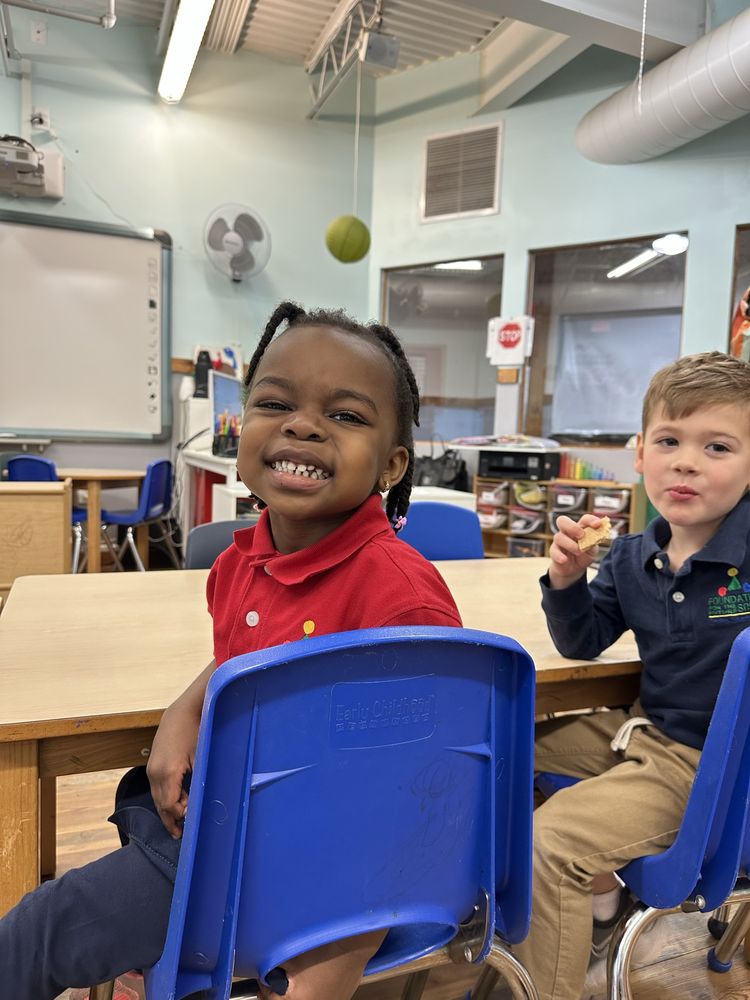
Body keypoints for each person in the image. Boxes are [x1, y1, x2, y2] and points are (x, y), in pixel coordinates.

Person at [0, 301, 462, 1000]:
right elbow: (259, 656)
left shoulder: (399, 593)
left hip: (285, 869)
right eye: (275, 402)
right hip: (228, 824)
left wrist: (338, 949)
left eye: (345, 415)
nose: (302, 424)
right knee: (133, 807)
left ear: (392, 464)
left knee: (37, 931)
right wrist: (185, 709)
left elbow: (431, 780)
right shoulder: (239, 564)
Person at [514, 350, 750, 1000]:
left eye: (718, 446)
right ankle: (586, 909)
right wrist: (565, 581)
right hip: (641, 733)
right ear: (639, 453)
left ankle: (558, 944)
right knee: (499, 759)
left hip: (707, 768)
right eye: (669, 441)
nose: (687, 461)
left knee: (550, 844)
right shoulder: (631, 556)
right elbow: (583, 640)